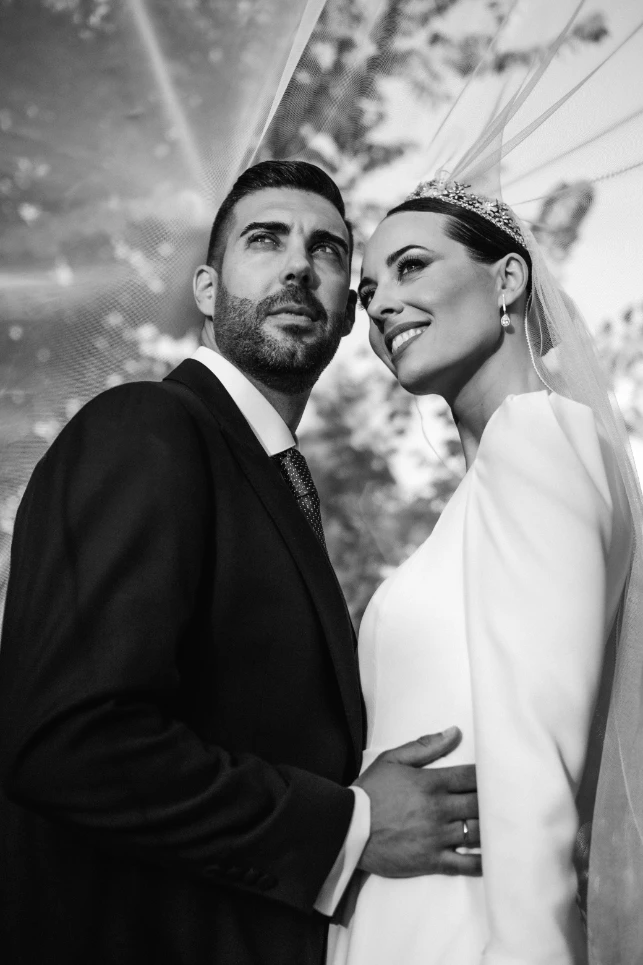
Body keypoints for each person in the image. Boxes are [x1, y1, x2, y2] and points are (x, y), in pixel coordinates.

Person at [0, 160, 481, 965]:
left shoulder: (278, 484)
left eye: (328, 252)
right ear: (206, 287)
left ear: (343, 311)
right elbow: (68, 738)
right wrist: (350, 825)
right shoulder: (147, 427)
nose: (299, 264)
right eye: (266, 240)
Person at [327, 180, 635, 965]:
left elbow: (536, 755)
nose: (380, 305)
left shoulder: (534, 438)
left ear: (505, 279)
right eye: (367, 291)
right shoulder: (483, 488)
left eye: (410, 267)